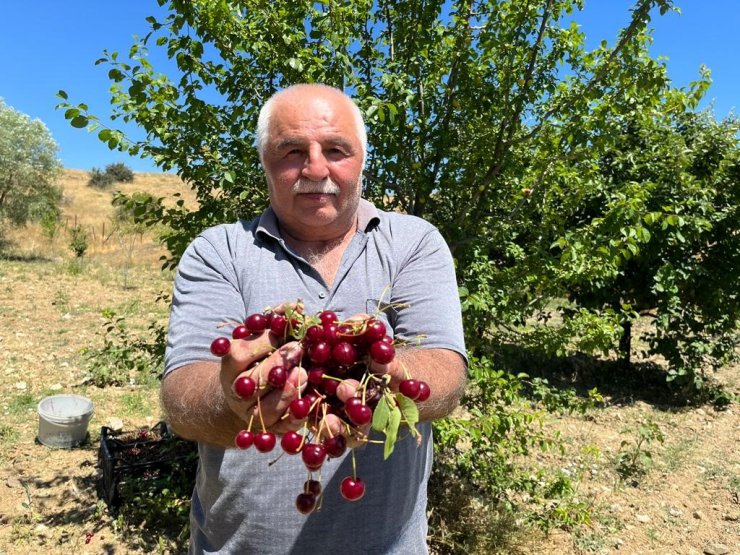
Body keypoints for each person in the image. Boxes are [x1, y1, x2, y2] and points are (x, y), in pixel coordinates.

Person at [162, 83, 467, 554]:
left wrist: (388, 381)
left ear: (362, 159)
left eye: (336, 150)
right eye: (291, 151)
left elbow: (445, 371)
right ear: (264, 160)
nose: (315, 168)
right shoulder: (218, 251)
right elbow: (182, 394)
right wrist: (236, 401)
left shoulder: (413, 243)